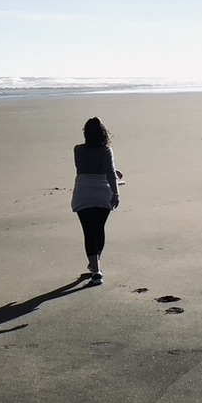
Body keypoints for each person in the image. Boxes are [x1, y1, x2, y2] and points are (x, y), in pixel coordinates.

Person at [71, 117, 120, 283]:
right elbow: (110, 174)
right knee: (99, 229)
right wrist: (116, 194)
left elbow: (85, 168)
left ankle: (95, 269)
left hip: (84, 192)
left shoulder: (78, 149)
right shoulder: (106, 151)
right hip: (102, 193)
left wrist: (112, 169)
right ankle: (95, 265)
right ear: (103, 133)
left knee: (88, 231)